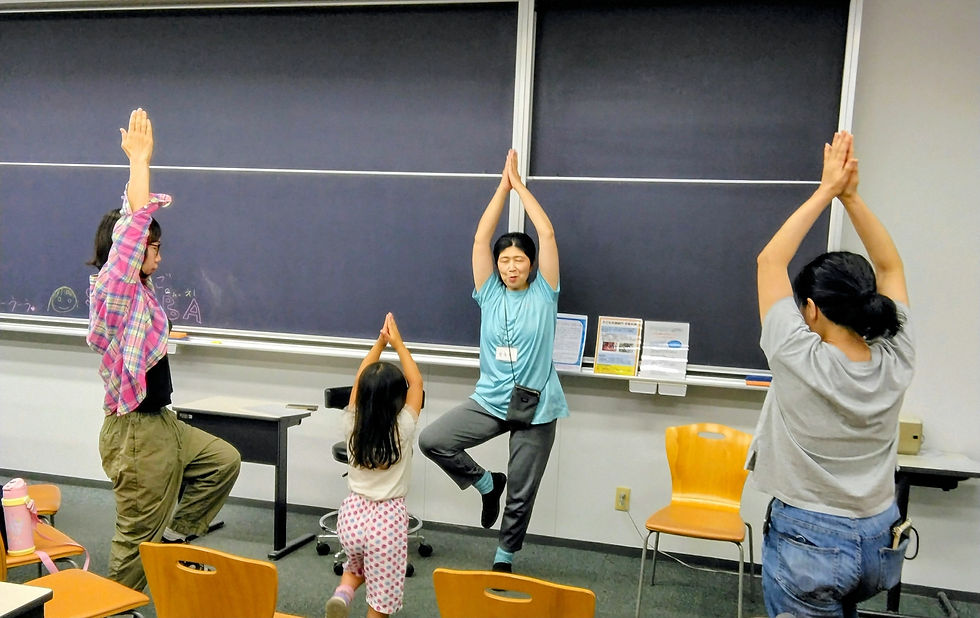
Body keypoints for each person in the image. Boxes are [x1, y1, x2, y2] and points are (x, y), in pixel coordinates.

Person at [748, 131, 915, 617]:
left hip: (811, 539)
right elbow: (890, 266)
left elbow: (769, 260)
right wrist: (851, 198)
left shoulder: (797, 356)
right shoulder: (896, 353)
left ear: (812, 309)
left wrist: (826, 190)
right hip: (879, 535)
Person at [86, 108, 241, 590]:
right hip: (136, 434)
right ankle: (114, 606)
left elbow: (131, 230)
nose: (159, 254)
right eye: (153, 247)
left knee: (222, 462)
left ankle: (172, 544)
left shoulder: (140, 292)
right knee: (134, 541)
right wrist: (140, 161)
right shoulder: (114, 289)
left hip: (162, 422)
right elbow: (131, 229)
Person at [418, 149, 568, 573]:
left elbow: (547, 233)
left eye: (519, 259)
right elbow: (480, 241)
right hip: (491, 399)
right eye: (505, 261)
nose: (511, 267)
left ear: (531, 264)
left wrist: (520, 186)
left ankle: (504, 555)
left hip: (537, 405)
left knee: (522, 488)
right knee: (433, 440)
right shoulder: (488, 292)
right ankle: (486, 483)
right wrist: (501, 190)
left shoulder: (545, 293)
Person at [326, 313, 423, 618]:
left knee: (355, 566)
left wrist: (379, 344)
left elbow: (359, 379)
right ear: (398, 399)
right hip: (387, 521)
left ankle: (343, 594)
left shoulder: (351, 422)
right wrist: (398, 344)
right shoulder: (403, 428)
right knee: (382, 598)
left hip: (351, 516)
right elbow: (417, 383)